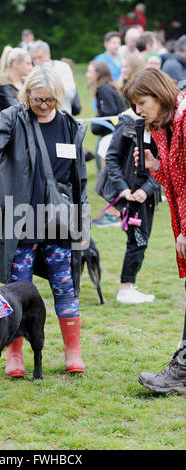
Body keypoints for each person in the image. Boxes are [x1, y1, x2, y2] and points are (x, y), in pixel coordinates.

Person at [0, 63, 89, 376]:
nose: (43, 106)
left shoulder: (70, 126)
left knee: (66, 286)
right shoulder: (13, 118)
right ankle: (14, 355)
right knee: (18, 288)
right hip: (19, 219)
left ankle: (73, 353)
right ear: (27, 95)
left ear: (59, 97)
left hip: (59, 222)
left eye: (50, 100)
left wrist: (82, 217)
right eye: (37, 100)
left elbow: (79, 180)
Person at [124, 67, 186, 393]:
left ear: (160, 94)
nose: (138, 111)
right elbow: (177, 181)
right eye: (134, 105)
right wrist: (156, 167)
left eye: (142, 102)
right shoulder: (163, 127)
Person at [105, 106, 161, 303]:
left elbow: (164, 162)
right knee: (138, 239)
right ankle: (125, 288)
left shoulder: (162, 124)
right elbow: (112, 157)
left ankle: (128, 285)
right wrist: (122, 188)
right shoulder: (127, 122)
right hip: (128, 192)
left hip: (147, 192)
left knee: (141, 238)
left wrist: (147, 189)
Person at [86, 60, 123, 227]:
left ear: (98, 73)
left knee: (108, 175)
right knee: (106, 175)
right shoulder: (106, 89)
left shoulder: (104, 89)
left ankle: (114, 213)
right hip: (109, 137)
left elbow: (110, 114)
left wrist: (95, 125)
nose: (87, 74)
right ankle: (114, 211)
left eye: (90, 71)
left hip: (110, 138)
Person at [30, 40, 76, 114]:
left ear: (48, 54)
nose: (37, 62)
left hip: (62, 115)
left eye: (40, 57)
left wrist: (51, 84)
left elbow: (71, 93)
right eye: (34, 59)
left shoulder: (63, 67)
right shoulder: (32, 71)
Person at [0, 45, 33, 111]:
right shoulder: (4, 84)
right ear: (15, 64)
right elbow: (16, 110)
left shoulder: (27, 83)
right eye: (28, 64)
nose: (31, 67)